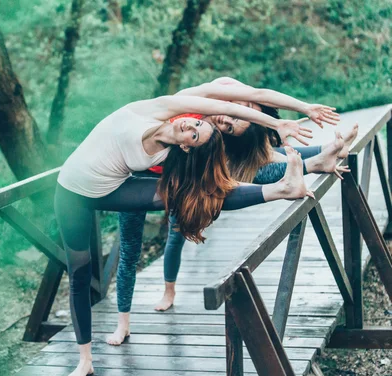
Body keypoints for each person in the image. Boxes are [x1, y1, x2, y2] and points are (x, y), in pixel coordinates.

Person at [55, 91, 325, 376]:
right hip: (71, 196)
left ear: (187, 147)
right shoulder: (155, 109)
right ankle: (85, 361)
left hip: (113, 189)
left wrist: (284, 158)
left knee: (203, 193)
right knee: (79, 276)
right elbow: (223, 102)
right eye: (194, 124)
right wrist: (276, 124)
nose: (191, 128)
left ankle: (282, 190)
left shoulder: (171, 154)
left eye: (196, 135)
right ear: (185, 117)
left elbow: (224, 171)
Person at [106, 80, 358, 347]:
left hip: (173, 185)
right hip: (134, 181)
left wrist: (302, 160)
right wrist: (303, 108)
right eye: (237, 112)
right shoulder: (192, 110)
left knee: (178, 235)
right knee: (130, 252)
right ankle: (125, 322)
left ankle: (320, 157)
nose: (226, 119)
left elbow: (265, 159)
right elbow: (257, 94)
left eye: (229, 125)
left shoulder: (212, 138)